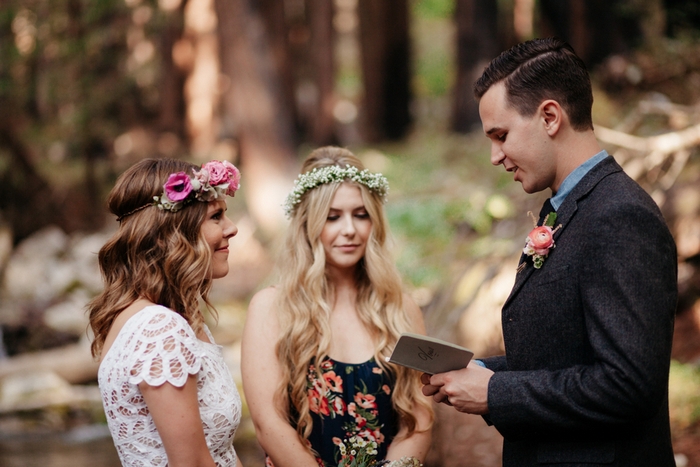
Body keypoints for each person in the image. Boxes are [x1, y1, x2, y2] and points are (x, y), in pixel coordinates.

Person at [421, 37, 678, 466]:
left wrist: (496, 394)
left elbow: (628, 386)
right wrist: (487, 374)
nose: (494, 156)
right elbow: (567, 354)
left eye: (501, 135)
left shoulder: (618, 216)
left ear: (550, 117)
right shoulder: (569, 209)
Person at [241, 146, 432, 467]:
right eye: (332, 217)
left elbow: (420, 419)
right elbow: (268, 425)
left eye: (361, 215)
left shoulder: (401, 308)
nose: (349, 230)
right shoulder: (271, 308)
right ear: (307, 224)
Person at [88, 158, 244, 467]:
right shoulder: (158, 328)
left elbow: (220, 454)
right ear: (173, 233)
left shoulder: (172, 319)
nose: (232, 228)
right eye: (216, 216)